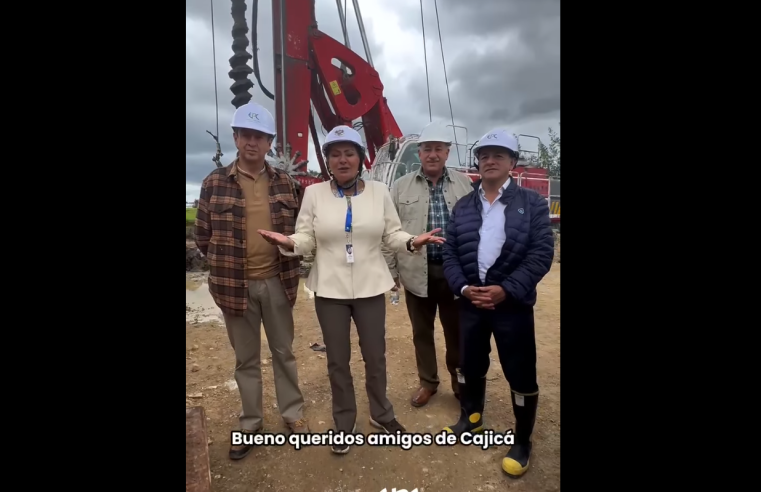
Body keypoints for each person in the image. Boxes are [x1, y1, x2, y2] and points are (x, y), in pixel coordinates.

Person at [258, 125, 444, 454]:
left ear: (360, 158)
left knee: (375, 356)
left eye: (349, 153)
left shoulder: (378, 192)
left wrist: (413, 241)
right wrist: (289, 242)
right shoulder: (314, 194)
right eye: (335, 154)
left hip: (371, 287)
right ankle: (344, 423)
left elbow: (392, 234)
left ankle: (382, 414)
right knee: (338, 362)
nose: (342, 160)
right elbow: (306, 237)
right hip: (330, 290)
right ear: (327, 160)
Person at [194, 101, 309, 461]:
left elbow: (301, 233)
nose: (252, 143)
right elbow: (202, 236)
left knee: (283, 353)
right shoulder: (214, 183)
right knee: (245, 360)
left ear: (270, 142)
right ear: (235, 137)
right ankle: (251, 422)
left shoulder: (287, 183)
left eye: (260, 137)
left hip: (277, 282)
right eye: (246, 135)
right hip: (235, 286)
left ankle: (292, 414)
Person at [440, 128, 554, 478]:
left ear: (512, 163)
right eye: (483, 156)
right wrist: (462, 288)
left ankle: (522, 440)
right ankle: (471, 417)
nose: (489, 161)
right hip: (471, 303)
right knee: (470, 364)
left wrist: (507, 289)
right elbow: (449, 252)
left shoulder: (532, 204)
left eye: (498, 155)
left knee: (520, 371)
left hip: (512, 306)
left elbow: (541, 254)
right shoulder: (464, 205)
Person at [384, 122, 474, 407]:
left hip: (455, 273)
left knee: (456, 332)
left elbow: (476, 228)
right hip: (414, 271)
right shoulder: (400, 186)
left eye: (438, 149)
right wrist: (391, 272)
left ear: (447, 153)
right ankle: (428, 383)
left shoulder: (465, 184)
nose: (432, 154)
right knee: (421, 332)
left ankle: (460, 383)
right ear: (419, 154)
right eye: (427, 149)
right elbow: (389, 232)